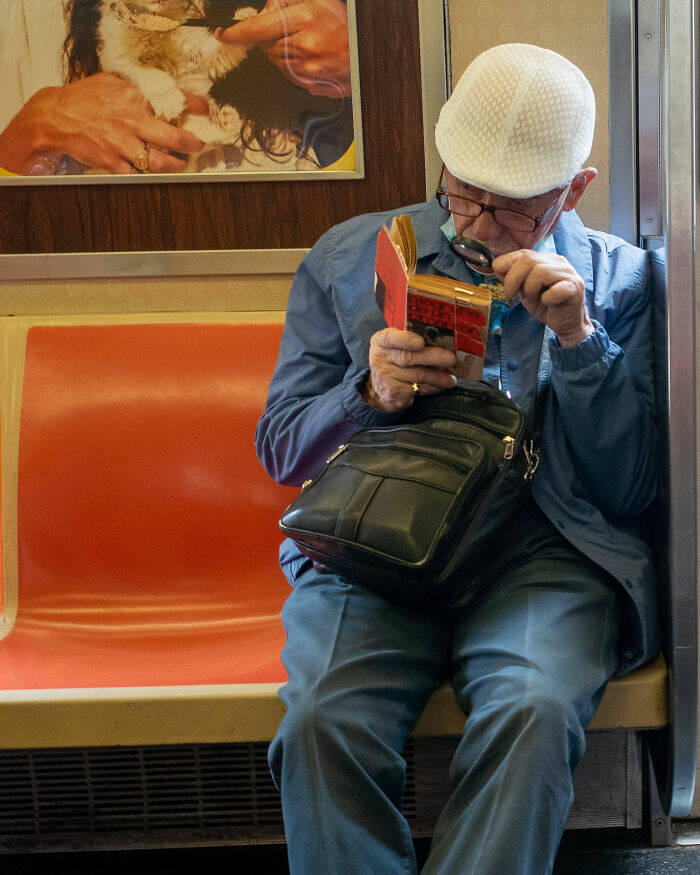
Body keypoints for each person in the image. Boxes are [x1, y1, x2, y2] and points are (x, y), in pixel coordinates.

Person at [255, 43, 659, 874]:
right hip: (373, 546)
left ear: (575, 190)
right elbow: (281, 448)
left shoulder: (621, 281)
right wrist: (367, 392)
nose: (475, 225)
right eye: (462, 193)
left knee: (534, 709)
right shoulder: (346, 258)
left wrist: (580, 341)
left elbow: (630, 490)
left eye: (512, 211)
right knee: (322, 721)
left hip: (547, 551)